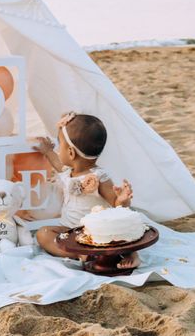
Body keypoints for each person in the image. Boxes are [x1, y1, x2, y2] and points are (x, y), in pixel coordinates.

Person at [35, 111, 140, 269]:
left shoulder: (99, 177)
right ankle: (79, 253)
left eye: (59, 145)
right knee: (43, 234)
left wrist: (123, 199)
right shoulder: (67, 172)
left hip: (99, 232)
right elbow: (57, 163)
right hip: (70, 230)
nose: (58, 151)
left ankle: (132, 253)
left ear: (70, 153)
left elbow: (116, 204)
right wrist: (48, 151)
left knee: (122, 234)